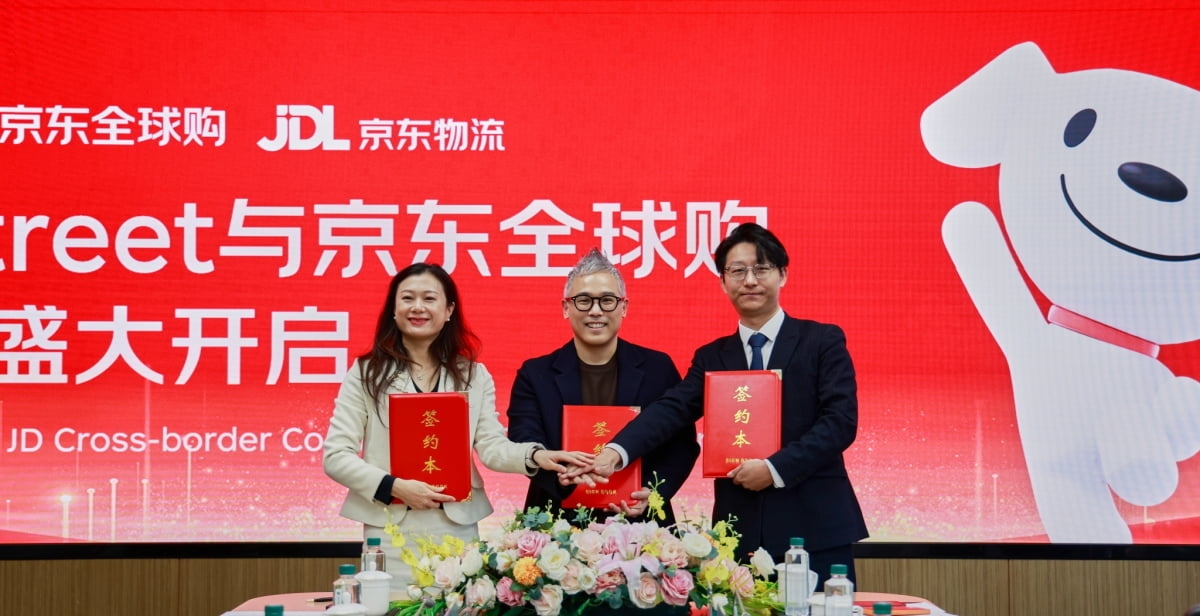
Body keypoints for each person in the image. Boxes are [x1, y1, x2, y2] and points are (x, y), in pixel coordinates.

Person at [569, 223, 868, 585]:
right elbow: (671, 410)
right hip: (738, 533)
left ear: (783, 274)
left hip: (816, 527)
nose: (750, 280)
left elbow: (839, 423)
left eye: (761, 268)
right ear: (723, 282)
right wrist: (616, 451)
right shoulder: (712, 357)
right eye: (737, 270)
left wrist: (774, 468)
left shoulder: (821, 341)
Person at [323, 263, 591, 589]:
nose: (417, 307)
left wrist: (536, 455)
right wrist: (395, 486)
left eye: (429, 298)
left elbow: (492, 447)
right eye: (407, 298)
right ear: (393, 308)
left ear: (449, 310)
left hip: (456, 527)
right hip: (390, 531)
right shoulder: (366, 374)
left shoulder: (474, 375)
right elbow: (336, 456)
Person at [505, 248, 700, 525]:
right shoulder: (535, 373)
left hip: (640, 520)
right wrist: (562, 475)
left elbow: (681, 444)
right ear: (566, 308)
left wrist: (653, 492)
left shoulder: (657, 367)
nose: (595, 311)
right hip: (555, 522)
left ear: (624, 307)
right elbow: (523, 438)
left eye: (607, 300)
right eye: (583, 301)